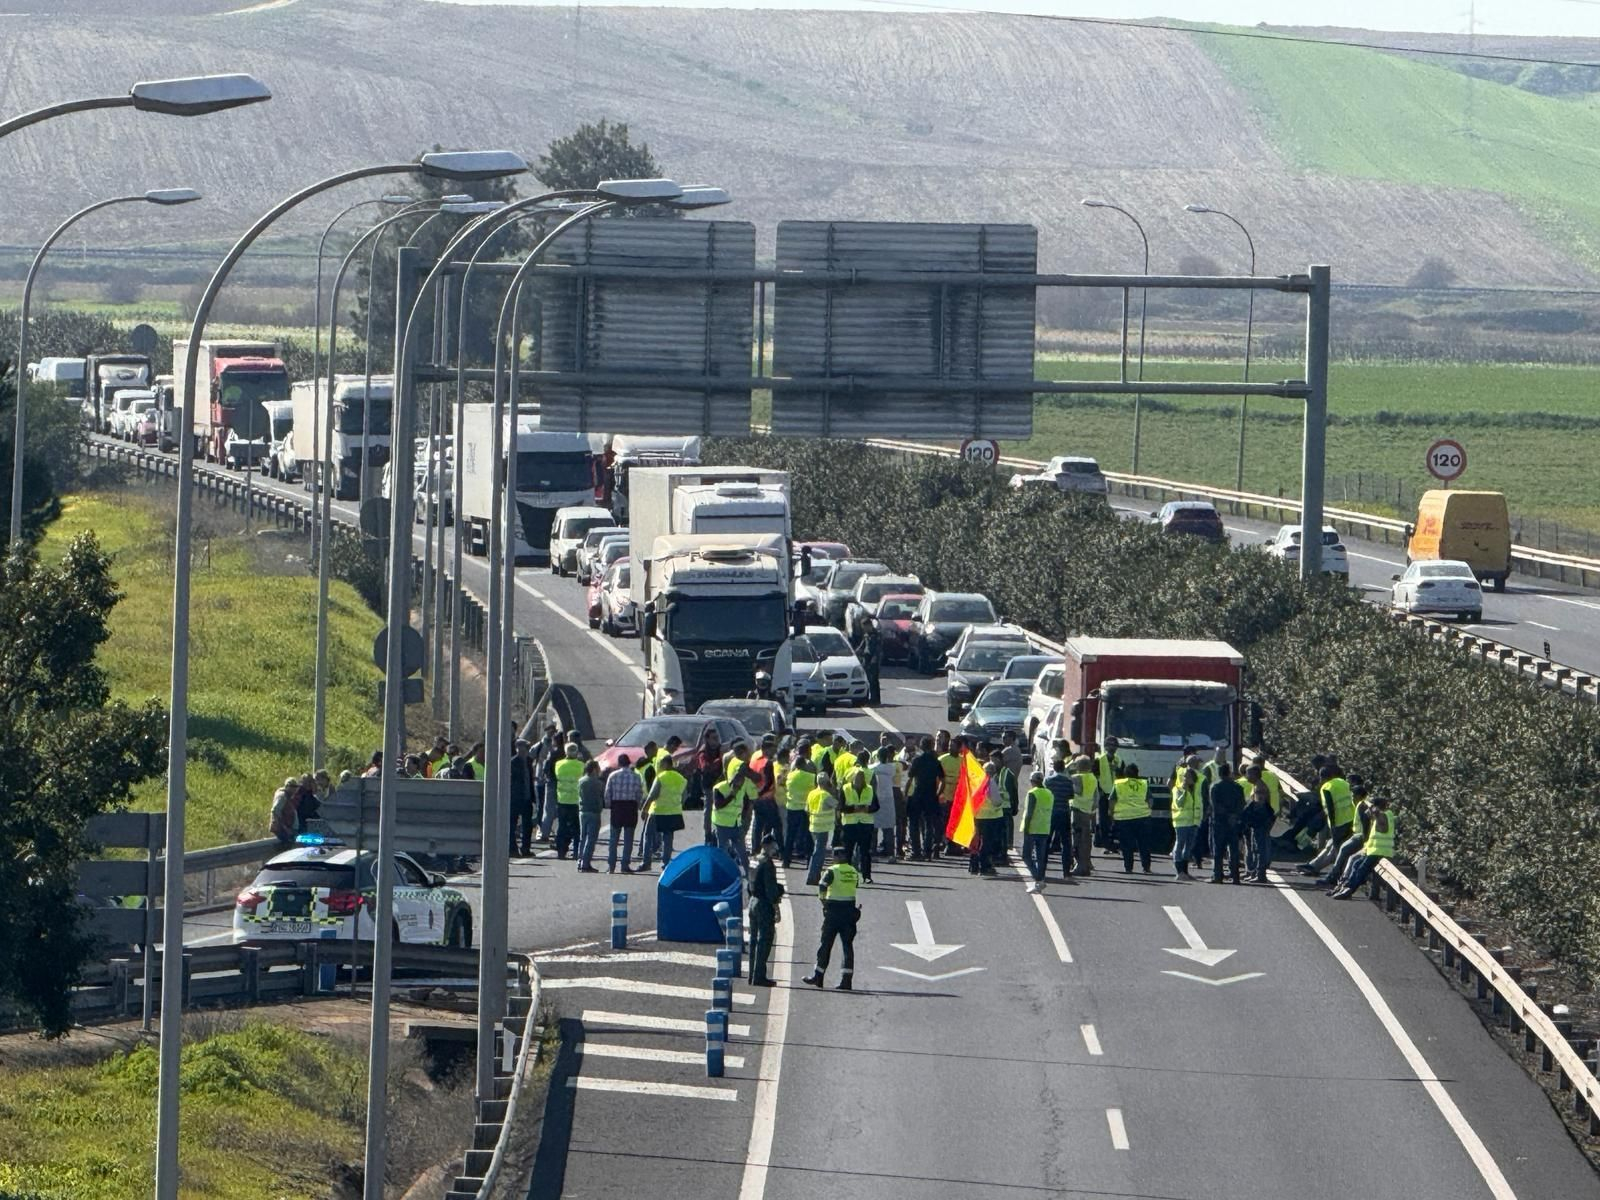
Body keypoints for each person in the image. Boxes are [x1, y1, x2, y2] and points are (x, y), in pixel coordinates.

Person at [802, 845, 861, 991]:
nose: (833, 858)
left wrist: (823, 901)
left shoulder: (832, 870)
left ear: (839, 857)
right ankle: (846, 980)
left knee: (825, 944)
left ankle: (818, 976)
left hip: (834, 911)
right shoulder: (853, 871)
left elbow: (822, 886)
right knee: (847, 946)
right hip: (849, 911)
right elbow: (855, 886)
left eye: (834, 856)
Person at [1330, 795, 1395, 898]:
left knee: (1361, 869)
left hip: (1380, 851)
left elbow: (1384, 829)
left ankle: (1349, 890)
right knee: (1356, 864)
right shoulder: (1384, 815)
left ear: (1377, 807)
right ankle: (1345, 886)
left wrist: (1374, 812)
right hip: (1373, 850)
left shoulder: (1383, 815)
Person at [1317, 782, 1374, 889]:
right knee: (1341, 848)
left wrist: (1365, 842)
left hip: (1360, 836)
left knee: (1344, 849)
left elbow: (1365, 825)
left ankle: (1335, 877)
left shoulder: (1362, 806)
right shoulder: (1360, 804)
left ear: (1358, 796)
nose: (1352, 798)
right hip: (1357, 834)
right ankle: (1337, 876)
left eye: (1353, 795)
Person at [639, 751, 688, 869]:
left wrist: (644, 809)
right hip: (673, 812)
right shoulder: (681, 778)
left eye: (661, 764)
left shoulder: (661, 777)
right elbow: (685, 795)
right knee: (668, 838)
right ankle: (666, 863)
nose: (660, 766)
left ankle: (646, 862)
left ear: (666, 764)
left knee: (648, 836)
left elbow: (652, 795)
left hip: (657, 810)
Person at [748, 835, 784, 987]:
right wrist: (776, 906)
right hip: (763, 904)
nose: (774, 849)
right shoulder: (767, 864)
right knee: (765, 939)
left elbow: (750, 882)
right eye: (773, 846)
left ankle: (752, 974)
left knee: (753, 940)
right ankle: (759, 976)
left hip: (752, 901)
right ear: (767, 845)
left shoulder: (754, 860)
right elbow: (770, 889)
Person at [711, 757, 757, 875]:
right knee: (722, 851)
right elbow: (718, 805)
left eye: (742, 781)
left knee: (742, 851)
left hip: (736, 824)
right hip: (722, 825)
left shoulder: (742, 787)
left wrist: (745, 816)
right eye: (738, 780)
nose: (740, 784)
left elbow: (747, 802)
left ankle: (748, 874)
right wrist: (732, 795)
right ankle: (723, 874)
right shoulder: (720, 788)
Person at [905, 736, 945, 861]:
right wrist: (937, 794)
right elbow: (943, 781)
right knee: (929, 824)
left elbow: (910, 778)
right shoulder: (936, 762)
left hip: (918, 794)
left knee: (914, 823)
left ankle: (916, 851)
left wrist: (905, 794)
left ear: (922, 746)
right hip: (931, 795)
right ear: (932, 746)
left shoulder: (917, 760)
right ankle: (928, 851)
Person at [1206, 762, 1245, 885]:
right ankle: (1235, 876)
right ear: (1229, 773)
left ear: (1219, 773)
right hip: (1233, 822)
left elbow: (1215, 805)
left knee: (1218, 850)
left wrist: (1226, 814)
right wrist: (1234, 815)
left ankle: (1217, 875)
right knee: (1233, 850)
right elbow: (1241, 804)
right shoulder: (1238, 787)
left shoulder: (1215, 787)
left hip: (1219, 822)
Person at [1111, 762, 1152, 874]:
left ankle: (1128, 867)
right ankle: (1146, 867)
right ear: (1137, 773)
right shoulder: (1143, 784)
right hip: (1142, 817)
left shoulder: (1119, 784)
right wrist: (1147, 810)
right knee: (1144, 844)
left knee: (1126, 845)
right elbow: (1150, 800)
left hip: (1124, 818)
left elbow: (1112, 800)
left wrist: (1112, 814)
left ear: (1125, 773)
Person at [605, 754, 642, 873]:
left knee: (614, 838)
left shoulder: (613, 775)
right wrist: (638, 805)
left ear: (619, 763)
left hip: (617, 807)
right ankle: (625, 865)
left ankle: (611, 865)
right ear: (629, 763)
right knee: (628, 838)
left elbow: (607, 793)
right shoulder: (636, 776)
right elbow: (639, 793)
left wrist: (609, 805)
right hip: (630, 807)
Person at [781, 742, 817, 869]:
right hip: (805, 809)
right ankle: (809, 862)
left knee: (790, 836)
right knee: (808, 835)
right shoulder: (811, 777)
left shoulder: (790, 776)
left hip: (792, 808)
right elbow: (815, 789)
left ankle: (786, 861)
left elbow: (784, 786)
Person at [838, 767, 876, 881]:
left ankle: (866, 876)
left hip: (865, 824)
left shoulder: (870, 789)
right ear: (853, 778)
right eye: (858, 777)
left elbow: (876, 806)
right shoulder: (845, 789)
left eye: (862, 777)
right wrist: (854, 809)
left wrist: (867, 809)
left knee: (865, 852)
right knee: (848, 852)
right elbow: (841, 807)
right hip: (850, 824)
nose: (860, 779)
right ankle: (847, 875)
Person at [969, 759, 1006, 878]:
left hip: (977, 816)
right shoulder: (990, 782)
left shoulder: (976, 781)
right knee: (987, 843)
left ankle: (973, 866)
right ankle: (984, 866)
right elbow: (996, 801)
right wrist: (1001, 800)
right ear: (993, 772)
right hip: (990, 817)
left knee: (976, 841)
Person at [1020, 770, 1055, 894]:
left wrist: (1026, 828)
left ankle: (1038, 879)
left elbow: (1029, 813)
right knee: (1040, 857)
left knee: (1026, 856)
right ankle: (1039, 881)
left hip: (1033, 828)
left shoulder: (1032, 793)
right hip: (1044, 828)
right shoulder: (1049, 793)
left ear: (1032, 781)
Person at [1170, 754, 1204, 880]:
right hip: (1181, 822)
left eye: (1188, 777)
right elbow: (1179, 803)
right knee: (1179, 845)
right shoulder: (1178, 789)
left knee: (1188, 847)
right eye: (1185, 777)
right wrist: (1184, 790)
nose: (1185, 779)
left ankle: (1185, 871)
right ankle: (1179, 872)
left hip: (1193, 821)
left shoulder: (1196, 789)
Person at [749, 735, 783, 855]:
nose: (774, 752)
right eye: (773, 749)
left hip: (755, 797)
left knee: (758, 825)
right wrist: (761, 793)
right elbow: (768, 782)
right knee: (777, 826)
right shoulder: (767, 763)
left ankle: (755, 849)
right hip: (767, 799)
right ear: (767, 749)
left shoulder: (754, 759)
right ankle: (782, 852)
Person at [805, 772, 840, 886]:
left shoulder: (812, 793)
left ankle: (814, 875)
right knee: (819, 853)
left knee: (817, 851)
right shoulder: (825, 795)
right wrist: (833, 791)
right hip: (823, 826)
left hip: (813, 825)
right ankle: (813, 876)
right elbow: (837, 805)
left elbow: (807, 809)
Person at [552, 743, 585, 859]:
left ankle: (561, 852)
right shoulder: (581, 765)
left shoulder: (558, 764)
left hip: (562, 799)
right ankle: (576, 852)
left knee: (562, 827)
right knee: (576, 828)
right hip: (576, 800)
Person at [1068, 756, 1098, 877]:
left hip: (1077, 808)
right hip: (1088, 809)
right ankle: (1086, 862)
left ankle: (1080, 865)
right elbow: (1096, 796)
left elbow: (1078, 791)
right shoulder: (1092, 778)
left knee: (1077, 838)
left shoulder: (1077, 777)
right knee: (1086, 838)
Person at [1243, 777, 1277, 883]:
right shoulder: (1256, 786)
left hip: (1260, 825)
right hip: (1258, 825)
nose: (1247, 776)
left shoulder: (1260, 787)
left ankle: (1260, 874)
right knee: (1255, 849)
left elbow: (1259, 806)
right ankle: (1254, 873)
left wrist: (1250, 818)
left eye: (1249, 774)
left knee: (1260, 850)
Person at [870, 745, 899, 860]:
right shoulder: (892, 768)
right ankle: (890, 852)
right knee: (888, 827)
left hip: (876, 798)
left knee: (873, 827)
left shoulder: (873, 768)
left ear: (877, 756)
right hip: (888, 799)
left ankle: (872, 850)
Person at [509, 739, 536, 858]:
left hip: (527, 797)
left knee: (527, 825)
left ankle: (526, 848)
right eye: (521, 747)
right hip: (515, 798)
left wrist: (533, 797)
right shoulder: (513, 762)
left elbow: (530, 780)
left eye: (525, 747)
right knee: (512, 824)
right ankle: (512, 848)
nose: (524, 750)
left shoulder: (529, 761)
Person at [1092, 738, 1121, 851]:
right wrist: (1099, 791)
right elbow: (1094, 777)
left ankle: (1111, 841)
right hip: (1103, 793)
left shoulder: (1119, 760)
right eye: (1110, 745)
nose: (1112, 747)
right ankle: (1104, 842)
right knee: (1103, 819)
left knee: (1113, 818)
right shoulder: (1099, 760)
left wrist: (1117, 770)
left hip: (1115, 793)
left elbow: (1123, 776)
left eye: (1114, 745)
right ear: (1105, 747)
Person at [575, 760, 604, 872]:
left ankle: (580, 860)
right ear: (594, 770)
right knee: (591, 839)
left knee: (583, 837)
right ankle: (585, 863)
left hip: (582, 811)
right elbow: (600, 797)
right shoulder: (597, 783)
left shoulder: (581, 781)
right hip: (594, 812)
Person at [856, 615, 882, 706]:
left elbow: (878, 649)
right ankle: (868, 697)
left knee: (873, 680)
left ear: (869, 625)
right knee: (867, 680)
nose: (864, 629)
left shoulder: (877, 634)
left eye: (865, 627)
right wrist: (854, 652)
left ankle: (875, 699)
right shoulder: (866, 635)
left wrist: (874, 659)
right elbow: (862, 646)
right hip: (866, 658)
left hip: (873, 659)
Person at [270, 776, 299, 844]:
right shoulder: (282, 796)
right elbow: (275, 811)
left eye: (296, 787)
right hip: (283, 830)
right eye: (292, 786)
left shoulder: (289, 796)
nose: (295, 789)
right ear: (287, 786)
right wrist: (285, 828)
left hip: (289, 829)